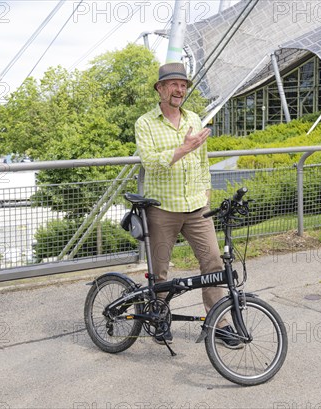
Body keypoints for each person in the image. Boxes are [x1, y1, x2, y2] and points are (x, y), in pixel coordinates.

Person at [135, 62, 242, 349]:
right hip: (162, 209)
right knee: (159, 270)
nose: (179, 89)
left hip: (196, 208)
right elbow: (151, 163)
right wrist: (184, 147)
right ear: (160, 89)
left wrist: (206, 193)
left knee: (214, 263)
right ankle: (158, 317)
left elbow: (203, 162)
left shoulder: (195, 118)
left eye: (183, 85)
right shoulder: (145, 123)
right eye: (173, 84)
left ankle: (217, 323)